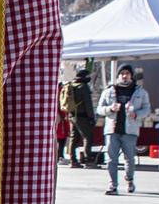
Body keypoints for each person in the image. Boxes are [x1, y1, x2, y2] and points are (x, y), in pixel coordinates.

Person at [96, 63, 150, 195]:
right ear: (118, 76)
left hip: (130, 131)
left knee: (130, 158)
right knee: (111, 159)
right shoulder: (108, 91)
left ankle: (129, 179)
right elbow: (99, 109)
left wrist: (136, 114)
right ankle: (112, 184)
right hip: (112, 130)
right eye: (122, 73)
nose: (124, 76)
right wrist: (110, 109)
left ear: (131, 76)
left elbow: (147, 109)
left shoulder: (140, 92)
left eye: (127, 74)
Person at [63, 66, 96, 167]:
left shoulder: (72, 85)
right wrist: (91, 117)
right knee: (87, 137)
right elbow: (88, 104)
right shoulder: (83, 87)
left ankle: (73, 160)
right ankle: (88, 160)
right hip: (82, 116)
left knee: (73, 137)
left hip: (72, 116)